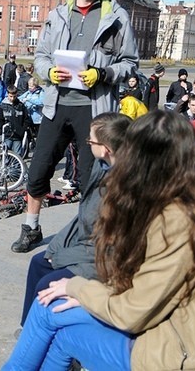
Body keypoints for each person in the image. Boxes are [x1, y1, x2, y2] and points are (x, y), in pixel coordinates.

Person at [2, 111, 195, 371]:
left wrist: (80, 290)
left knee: (49, 308)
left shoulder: (177, 219)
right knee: (60, 328)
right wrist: (92, 294)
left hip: (185, 353)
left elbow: (133, 312)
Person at [13, 0, 138, 253]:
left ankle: (89, 236)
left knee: (92, 178)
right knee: (39, 170)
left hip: (94, 110)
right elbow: (40, 57)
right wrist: (48, 72)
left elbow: (131, 63)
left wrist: (103, 73)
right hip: (57, 104)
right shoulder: (58, 15)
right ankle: (30, 228)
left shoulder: (117, 17)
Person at [18, 113, 131, 327]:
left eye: (90, 141)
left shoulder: (125, 187)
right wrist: (56, 248)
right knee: (38, 262)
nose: (87, 144)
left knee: (47, 282)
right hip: (86, 247)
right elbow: (81, 218)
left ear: (106, 148)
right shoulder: (102, 165)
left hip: (105, 259)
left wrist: (63, 257)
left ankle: (47, 336)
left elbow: (109, 246)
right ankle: (29, 329)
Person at [0, 86, 32, 156]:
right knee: (6, 154)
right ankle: (6, 166)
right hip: (7, 135)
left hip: (18, 135)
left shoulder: (21, 106)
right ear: (7, 94)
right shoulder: (3, 106)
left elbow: (27, 120)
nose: (12, 98)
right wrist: (0, 132)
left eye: (14, 96)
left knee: (17, 155)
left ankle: (16, 167)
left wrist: (22, 130)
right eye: (10, 96)